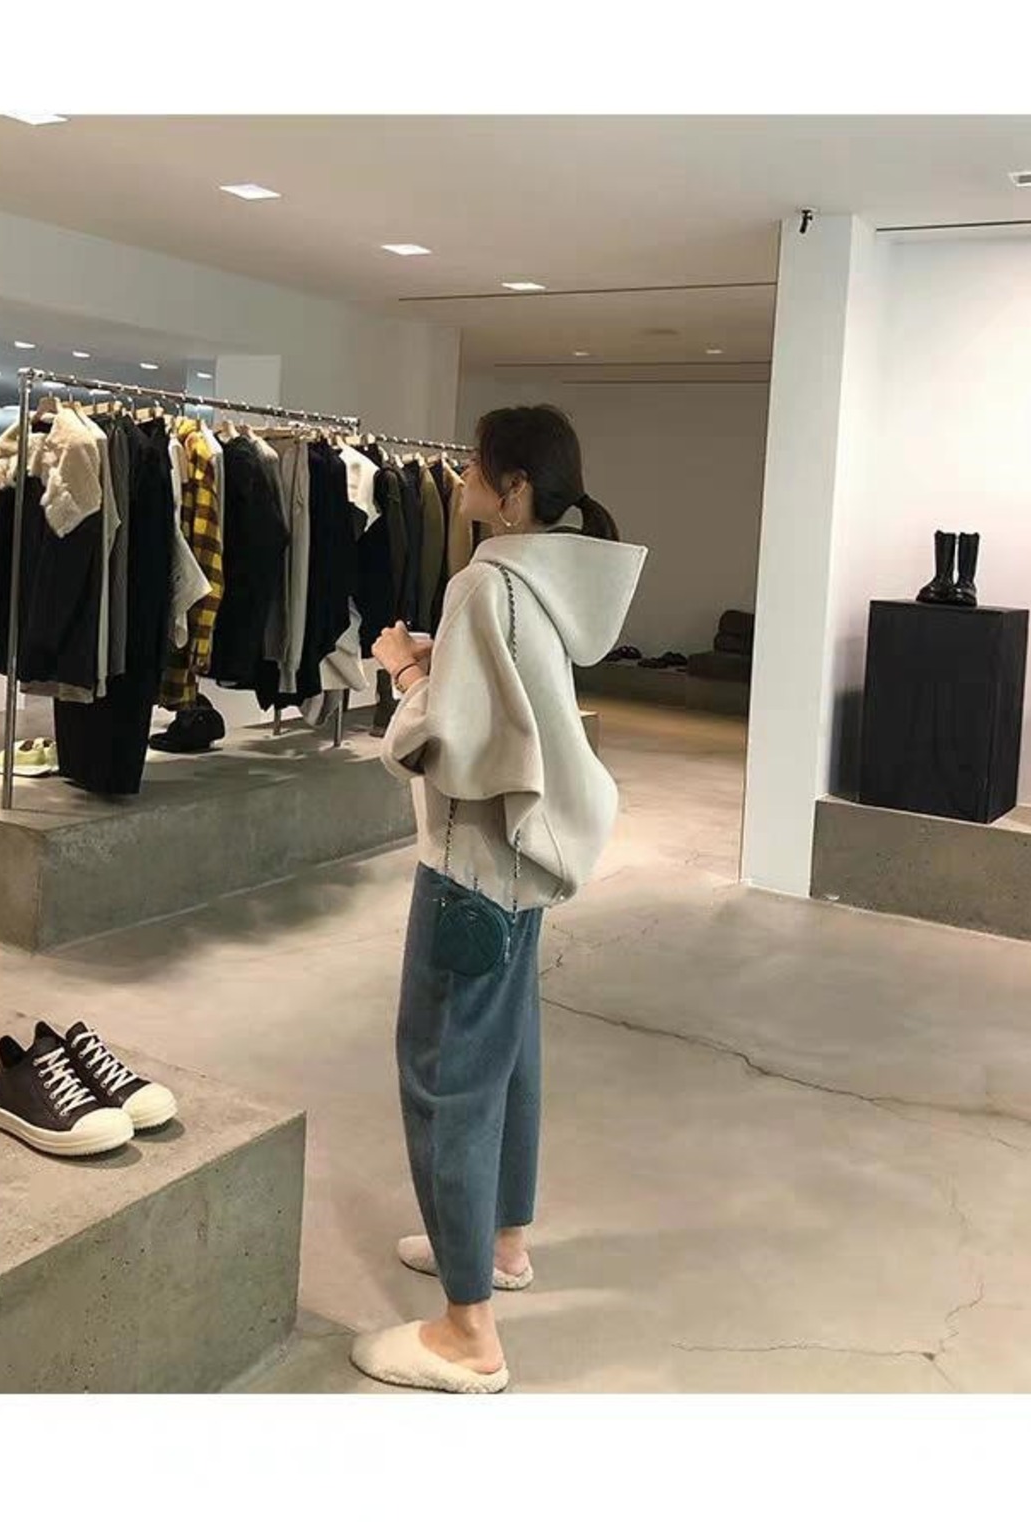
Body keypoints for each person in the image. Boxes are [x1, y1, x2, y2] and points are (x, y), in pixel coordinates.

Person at [352, 405, 647, 1394]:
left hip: (471, 861)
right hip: (524, 859)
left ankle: (466, 1332)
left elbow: (454, 743)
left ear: (512, 487)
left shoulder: (482, 582)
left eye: (476, 465)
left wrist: (404, 670)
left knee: (444, 1070)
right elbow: (511, 705)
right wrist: (444, 670)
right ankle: (500, 1242)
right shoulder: (550, 578)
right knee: (506, 1056)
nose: (462, 477)